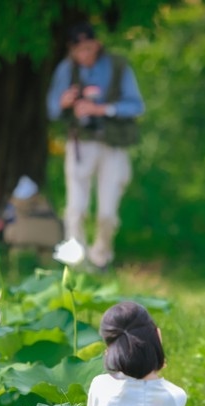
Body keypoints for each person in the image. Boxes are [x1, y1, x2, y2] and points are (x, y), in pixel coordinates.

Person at [46, 22, 145, 270]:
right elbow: (51, 109)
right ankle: (76, 262)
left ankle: (101, 258)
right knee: (76, 209)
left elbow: (136, 106)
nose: (84, 55)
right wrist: (65, 102)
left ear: (97, 45)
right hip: (80, 144)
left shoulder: (117, 66)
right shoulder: (66, 70)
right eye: (79, 51)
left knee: (107, 213)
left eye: (88, 49)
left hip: (112, 145)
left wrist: (101, 109)